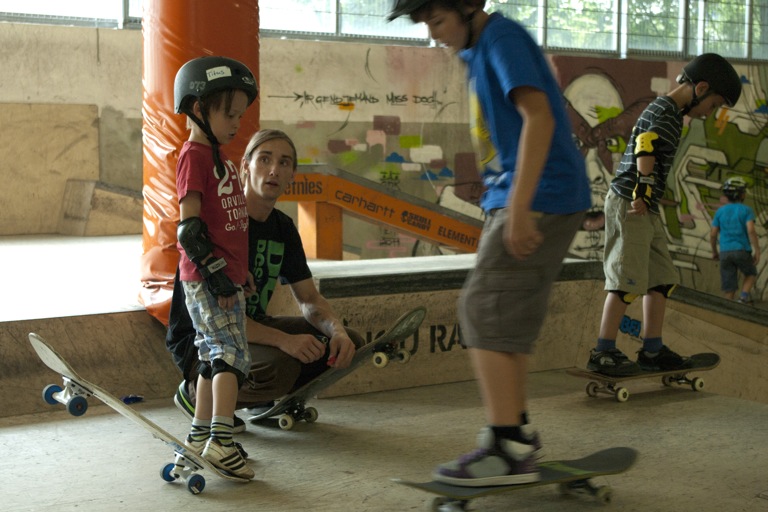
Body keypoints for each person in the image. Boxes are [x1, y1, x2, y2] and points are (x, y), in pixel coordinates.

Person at [389, 0, 591, 487]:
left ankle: (505, 448)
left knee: (482, 310)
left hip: (539, 195)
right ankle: (515, 435)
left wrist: (518, 208)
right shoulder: (477, 50)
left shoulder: (502, 40)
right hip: (531, 195)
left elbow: (539, 117)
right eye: (426, 25)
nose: (433, 35)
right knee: (505, 318)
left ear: (468, 6)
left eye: (437, 21)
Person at [167, 129, 363, 429]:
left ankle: (269, 399)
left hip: (250, 327)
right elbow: (218, 315)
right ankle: (197, 396)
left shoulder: (283, 228)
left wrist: (336, 331)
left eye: (284, 163)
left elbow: (309, 299)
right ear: (245, 166)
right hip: (205, 341)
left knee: (348, 342)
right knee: (280, 366)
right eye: (265, 159)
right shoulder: (222, 224)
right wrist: (285, 341)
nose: (274, 170)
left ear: (292, 175)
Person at [587, 53, 742, 376]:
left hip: (646, 206)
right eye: (713, 105)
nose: (709, 113)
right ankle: (603, 350)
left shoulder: (667, 111)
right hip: (632, 203)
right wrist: (643, 188)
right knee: (626, 280)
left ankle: (652, 349)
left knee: (661, 280)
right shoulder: (667, 112)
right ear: (701, 88)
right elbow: (645, 145)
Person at [172, 55, 259, 479]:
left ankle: (199, 436)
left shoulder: (217, 156)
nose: (236, 124)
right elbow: (189, 229)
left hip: (224, 275)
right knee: (231, 356)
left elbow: (228, 225)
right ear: (198, 109)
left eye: (240, 115)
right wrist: (218, 274)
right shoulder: (194, 156)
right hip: (210, 278)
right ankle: (222, 442)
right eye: (229, 114)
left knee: (211, 357)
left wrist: (242, 272)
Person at [710, 176, 760, 304]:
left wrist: (714, 251)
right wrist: (757, 251)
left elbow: (713, 234)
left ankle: (727, 307)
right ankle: (742, 298)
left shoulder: (720, 211)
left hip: (725, 252)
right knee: (750, 273)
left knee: (729, 285)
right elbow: (751, 230)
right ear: (741, 194)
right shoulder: (746, 210)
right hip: (741, 250)